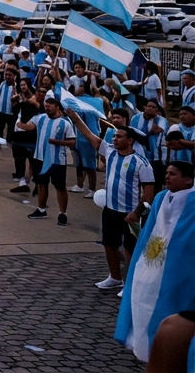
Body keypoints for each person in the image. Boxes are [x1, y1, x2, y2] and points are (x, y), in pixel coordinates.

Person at [114, 156, 195, 365]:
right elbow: (150, 230)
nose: (167, 176)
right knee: (142, 305)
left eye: (173, 174)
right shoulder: (160, 197)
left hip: (179, 268)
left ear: (188, 180)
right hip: (152, 262)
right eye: (166, 173)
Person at [69, 113, 153, 290]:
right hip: (109, 209)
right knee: (109, 244)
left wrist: (136, 213)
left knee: (130, 249)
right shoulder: (109, 152)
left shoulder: (141, 163)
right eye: (114, 136)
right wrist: (75, 118)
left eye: (119, 136)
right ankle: (115, 278)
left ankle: (130, 284)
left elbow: (148, 192)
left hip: (129, 213)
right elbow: (89, 135)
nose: (114, 139)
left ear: (130, 140)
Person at [20, 97, 76, 226]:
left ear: (57, 106)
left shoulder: (65, 123)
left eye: (50, 105)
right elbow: (29, 126)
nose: (47, 107)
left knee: (60, 186)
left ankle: (63, 213)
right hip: (40, 157)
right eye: (46, 105)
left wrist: (57, 142)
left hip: (57, 160)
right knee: (41, 184)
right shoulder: (40, 118)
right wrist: (21, 124)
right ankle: (41, 209)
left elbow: (72, 141)